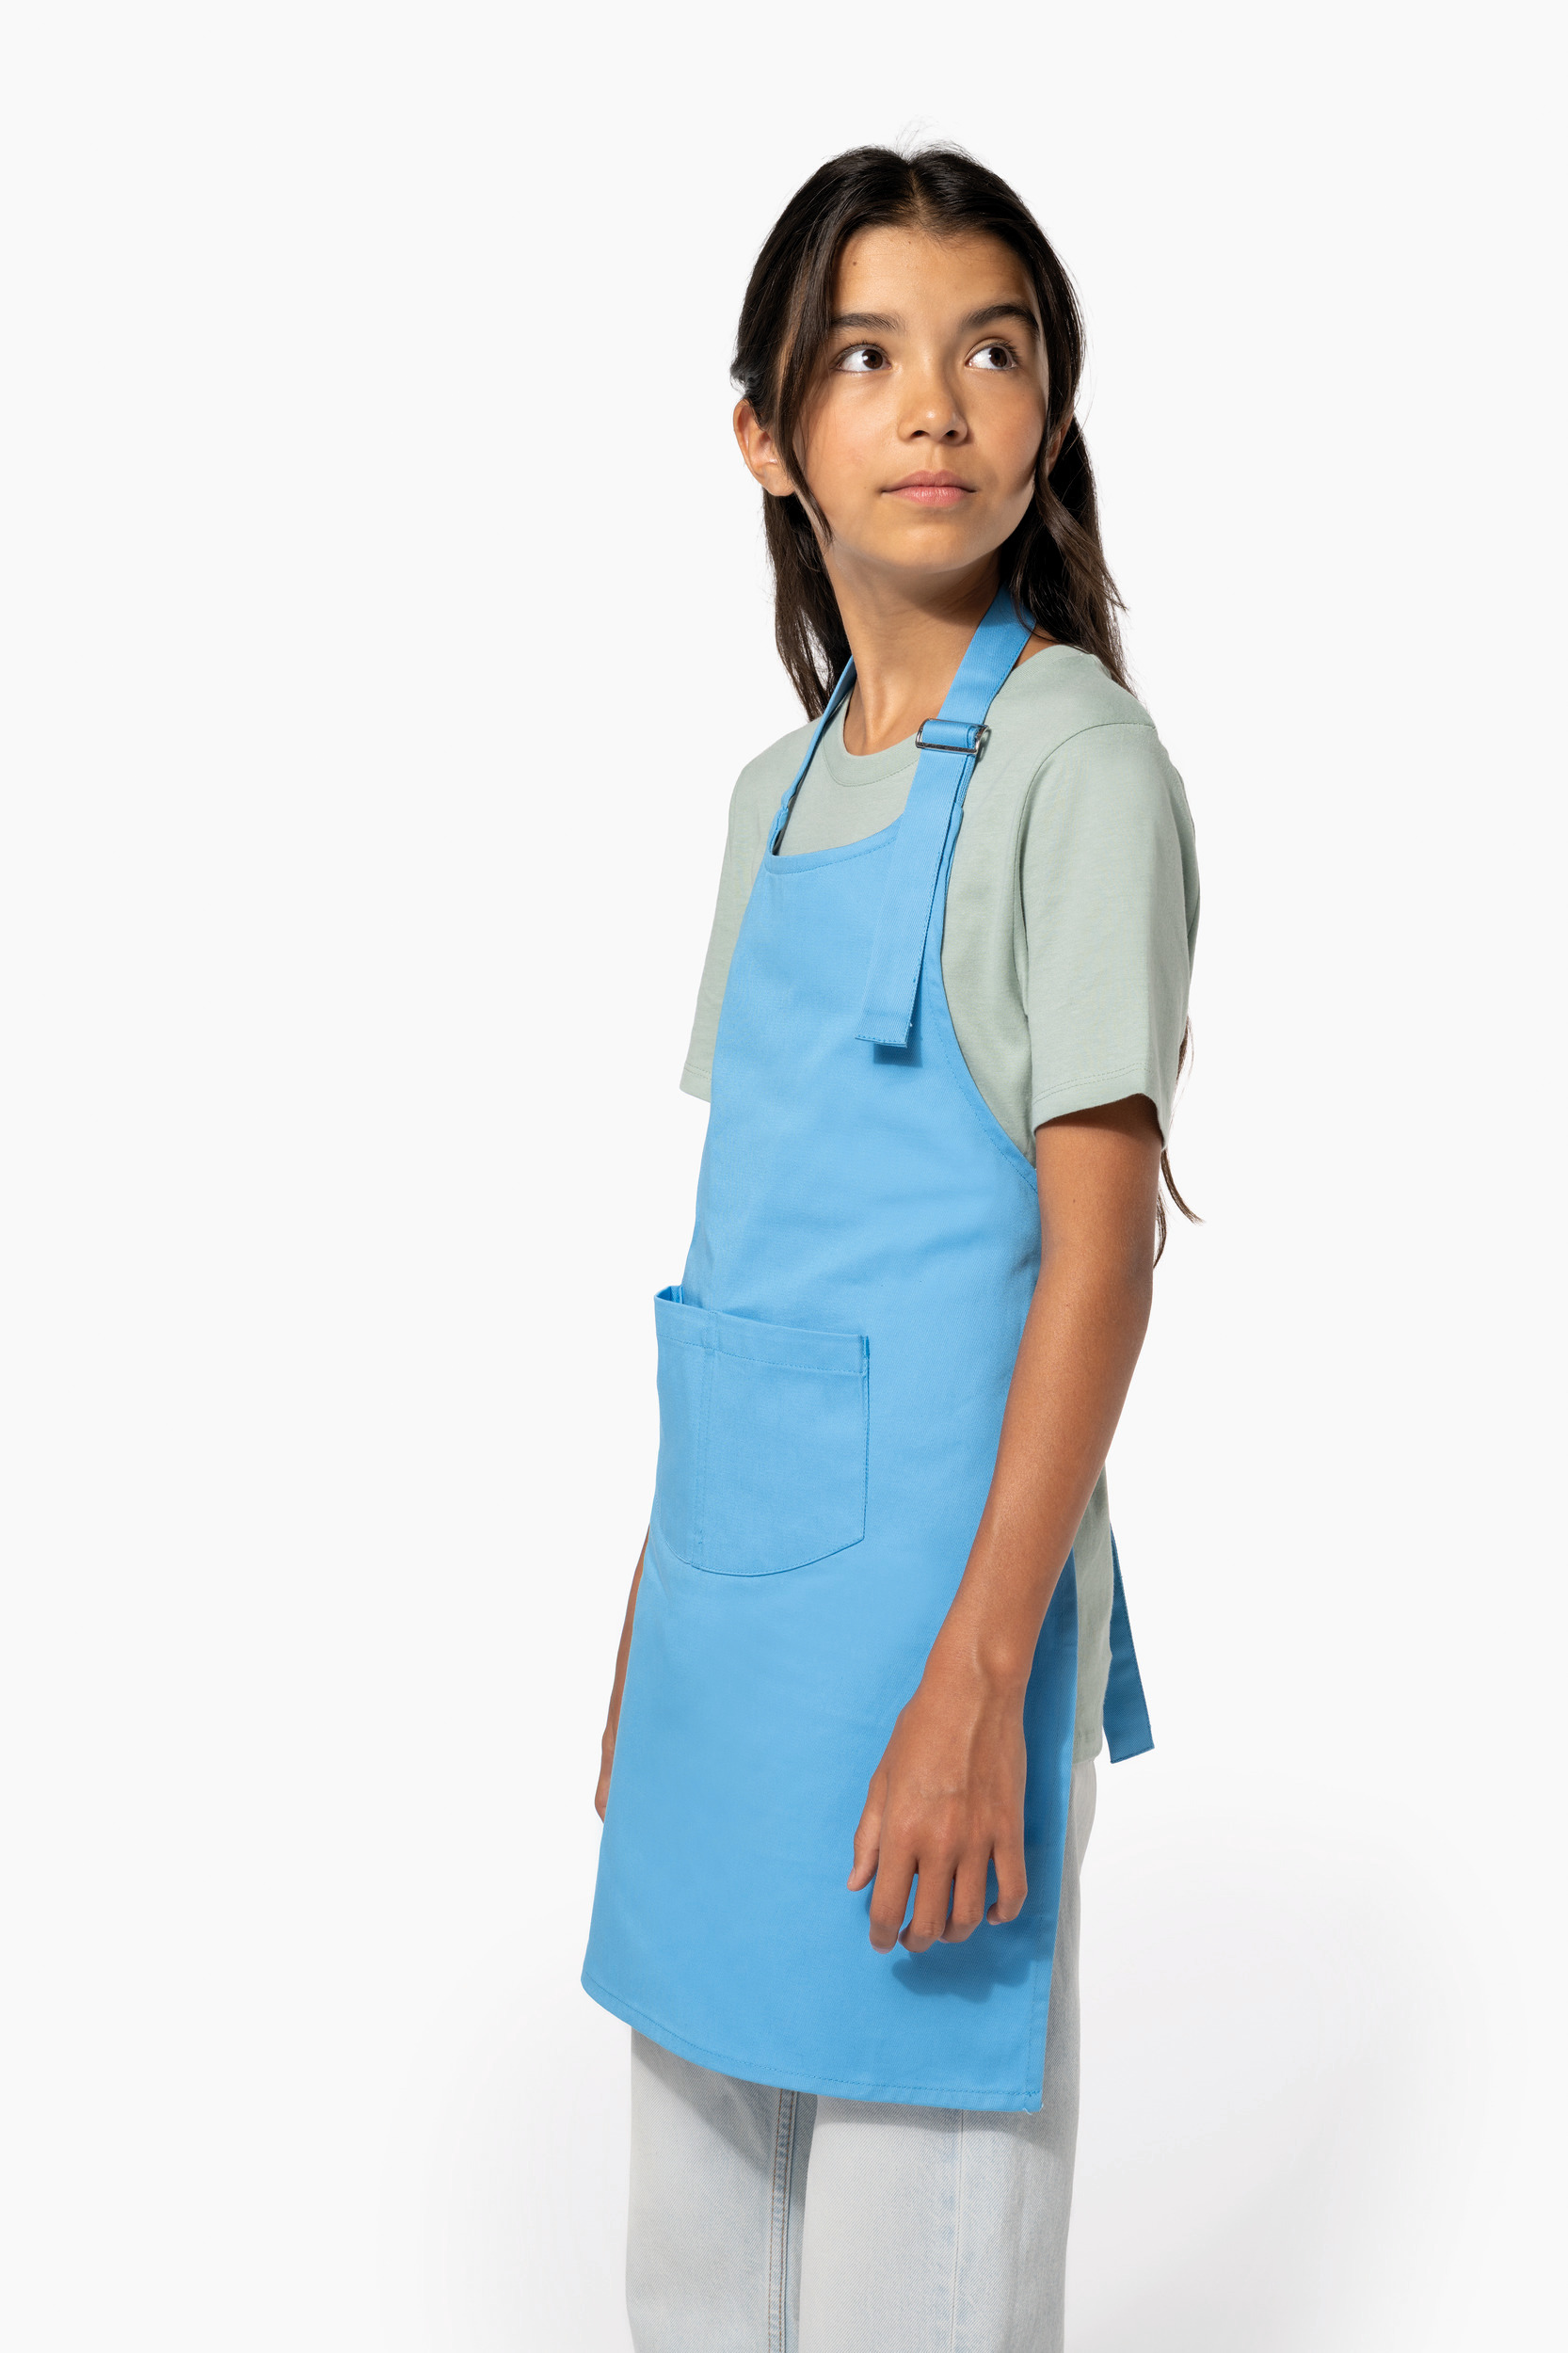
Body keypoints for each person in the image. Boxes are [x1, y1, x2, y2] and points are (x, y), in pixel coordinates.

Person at [581, 143, 1200, 2353]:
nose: (934, 402)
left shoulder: (1072, 766)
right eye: (864, 356)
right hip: (728, 1640)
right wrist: (650, 1619)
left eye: (989, 350)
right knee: (692, 2288)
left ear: (1046, 414)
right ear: (767, 436)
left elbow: (1097, 1258)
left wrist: (977, 1680)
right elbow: (743, 1249)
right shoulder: (763, 801)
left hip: (938, 1631)